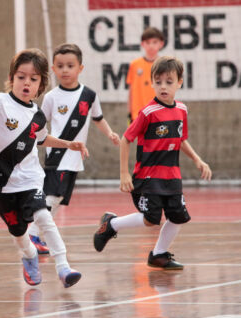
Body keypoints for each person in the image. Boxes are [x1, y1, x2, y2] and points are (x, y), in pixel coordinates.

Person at [0, 48, 88, 288]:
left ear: (41, 84)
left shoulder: (37, 115)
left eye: (33, 79)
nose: (26, 82)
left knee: (44, 216)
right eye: (21, 77)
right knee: (18, 232)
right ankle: (29, 256)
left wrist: (69, 144)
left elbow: (41, 139)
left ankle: (63, 267)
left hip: (31, 179)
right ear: (12, 78)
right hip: (1, 184)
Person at [93, 56, 212, 269]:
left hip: (172, 175)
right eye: (158, 82)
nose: (163, 87)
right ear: (152, 83)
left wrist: (198, 160)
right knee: (150, 219)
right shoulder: (148, 112)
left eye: (169, 81)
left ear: (179, 83)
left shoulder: (182, 110)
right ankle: (111, 224)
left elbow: (180, 139)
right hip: (148, 176)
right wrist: (124, 173)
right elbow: (126, 139)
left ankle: (159, 254)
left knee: (178, 217)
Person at [26, 43, 120, 254]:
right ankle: (31, 234)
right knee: (51, 196)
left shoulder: (89, 95)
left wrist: (110, 133)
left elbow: (98, 118)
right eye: (60, 65)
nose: (65, 70)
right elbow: (39, 124)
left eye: (70, 65)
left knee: (58, 199)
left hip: (75, 157)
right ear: (53, 68)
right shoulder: (51, 97)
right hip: (57, 155)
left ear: (80, 68)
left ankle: (34, 234)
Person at [127, 27, 165, 124]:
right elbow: (131, 91)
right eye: (148, 42)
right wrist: (130, 113)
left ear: (161, 44)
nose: (151, 46)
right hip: (139, 116)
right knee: (141, 139)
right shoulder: (135, 65)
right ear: (142, 44)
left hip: (159, 114)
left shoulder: (165, 65)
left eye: (154, 42)